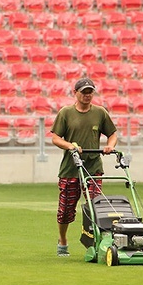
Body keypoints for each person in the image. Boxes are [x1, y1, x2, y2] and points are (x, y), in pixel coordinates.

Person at [50, 78, 118, 257]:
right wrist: (70, 146)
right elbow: (56, 138)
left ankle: (95, 242)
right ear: (76, 93)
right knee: (65, 210)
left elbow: (112, 134)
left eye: (90, 92)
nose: (87, 95)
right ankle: (62, 239)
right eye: (84, 92)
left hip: (93, 166)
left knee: (95, 206)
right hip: (70, 168)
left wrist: (110, 146)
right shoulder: (66, 113)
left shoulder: (100, 113)